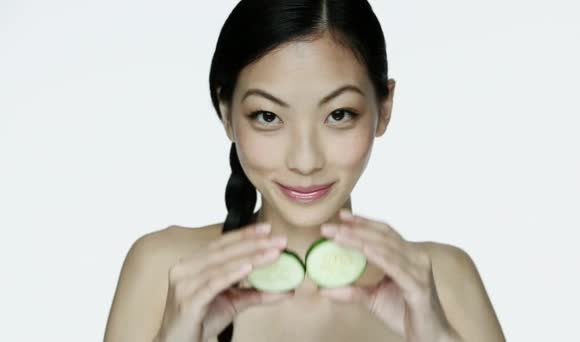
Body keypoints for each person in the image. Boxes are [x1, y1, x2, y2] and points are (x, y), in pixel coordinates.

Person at [103, 1, 506, 341]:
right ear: (226, 114)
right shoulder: (166, 269)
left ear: (384, 109)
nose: (305, 160)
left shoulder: (441, 280)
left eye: (339, 114)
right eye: (267, 116)